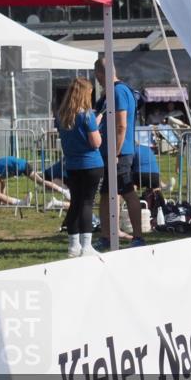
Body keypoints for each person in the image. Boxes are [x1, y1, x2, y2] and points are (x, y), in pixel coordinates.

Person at [94, 58, 143, 249]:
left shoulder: (118, 91)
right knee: (106, 194)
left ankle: (138, 236)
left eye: (97, 76)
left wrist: (115, 152)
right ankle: (106, 236)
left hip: (120, 154)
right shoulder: (117, 91)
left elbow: (121, 125)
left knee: (128, 192)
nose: (98, 81)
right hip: (114, 152)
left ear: (100, 74)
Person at [56, 78, 104, 257]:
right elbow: (96, 142)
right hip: (91, 164)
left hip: (72, 165)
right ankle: (86, 246)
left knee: (75, 203)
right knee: (87, 204)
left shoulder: (62, 116)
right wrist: (97, 127)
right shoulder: (87, 115)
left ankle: (73, 245)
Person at [0, 156, 66, 198]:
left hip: (23, 166)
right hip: (22, 165)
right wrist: (2, 199)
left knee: (41, 182)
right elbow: (2, 184)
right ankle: (62, 190)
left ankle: (63, 190)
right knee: (41, 182)